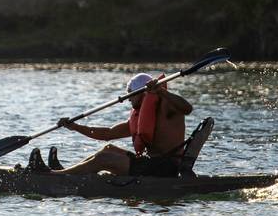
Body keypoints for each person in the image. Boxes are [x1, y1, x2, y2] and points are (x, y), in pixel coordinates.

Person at [37, 73, 204, 177]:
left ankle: (55, 175)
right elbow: (107, 133)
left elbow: (187, 108)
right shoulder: (140, 117)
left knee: (104, 159)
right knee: (108, 149)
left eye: (131, 95)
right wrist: (75, 127)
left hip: (165, 168)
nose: (129, 99)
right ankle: (66, 172)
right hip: (150, 164)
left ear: (142, 94)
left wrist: (161, 91)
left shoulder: (166, 105)